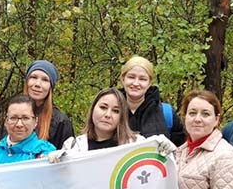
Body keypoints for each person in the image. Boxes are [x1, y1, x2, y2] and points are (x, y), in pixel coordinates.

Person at [47, 87, 176, 161]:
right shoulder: (72, 147)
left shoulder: (137, 145)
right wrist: (56, 166)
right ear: (92, 110)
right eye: (103, 107)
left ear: (122, 117)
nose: (108, 114)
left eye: (115, 111)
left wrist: (164, 151)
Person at [119, 56, 185, 146]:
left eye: (142, 79)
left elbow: (180, 152)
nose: (136, 83)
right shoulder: (110, 112)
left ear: (149, 82)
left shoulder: (166, 114)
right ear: (123, 79)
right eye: (131, 77)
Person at [0, 95, 56, 165]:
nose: (19, 124)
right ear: (6, 121)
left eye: (25, 118)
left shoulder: (46, 153)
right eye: (13, 118)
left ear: (35, 121)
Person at [22, 59, 75, 149]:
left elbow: (67, 157)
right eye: (34, 77)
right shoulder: (14, 113)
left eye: (45, 80)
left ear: (51, 87)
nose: (37, 84)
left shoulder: (61, 122)